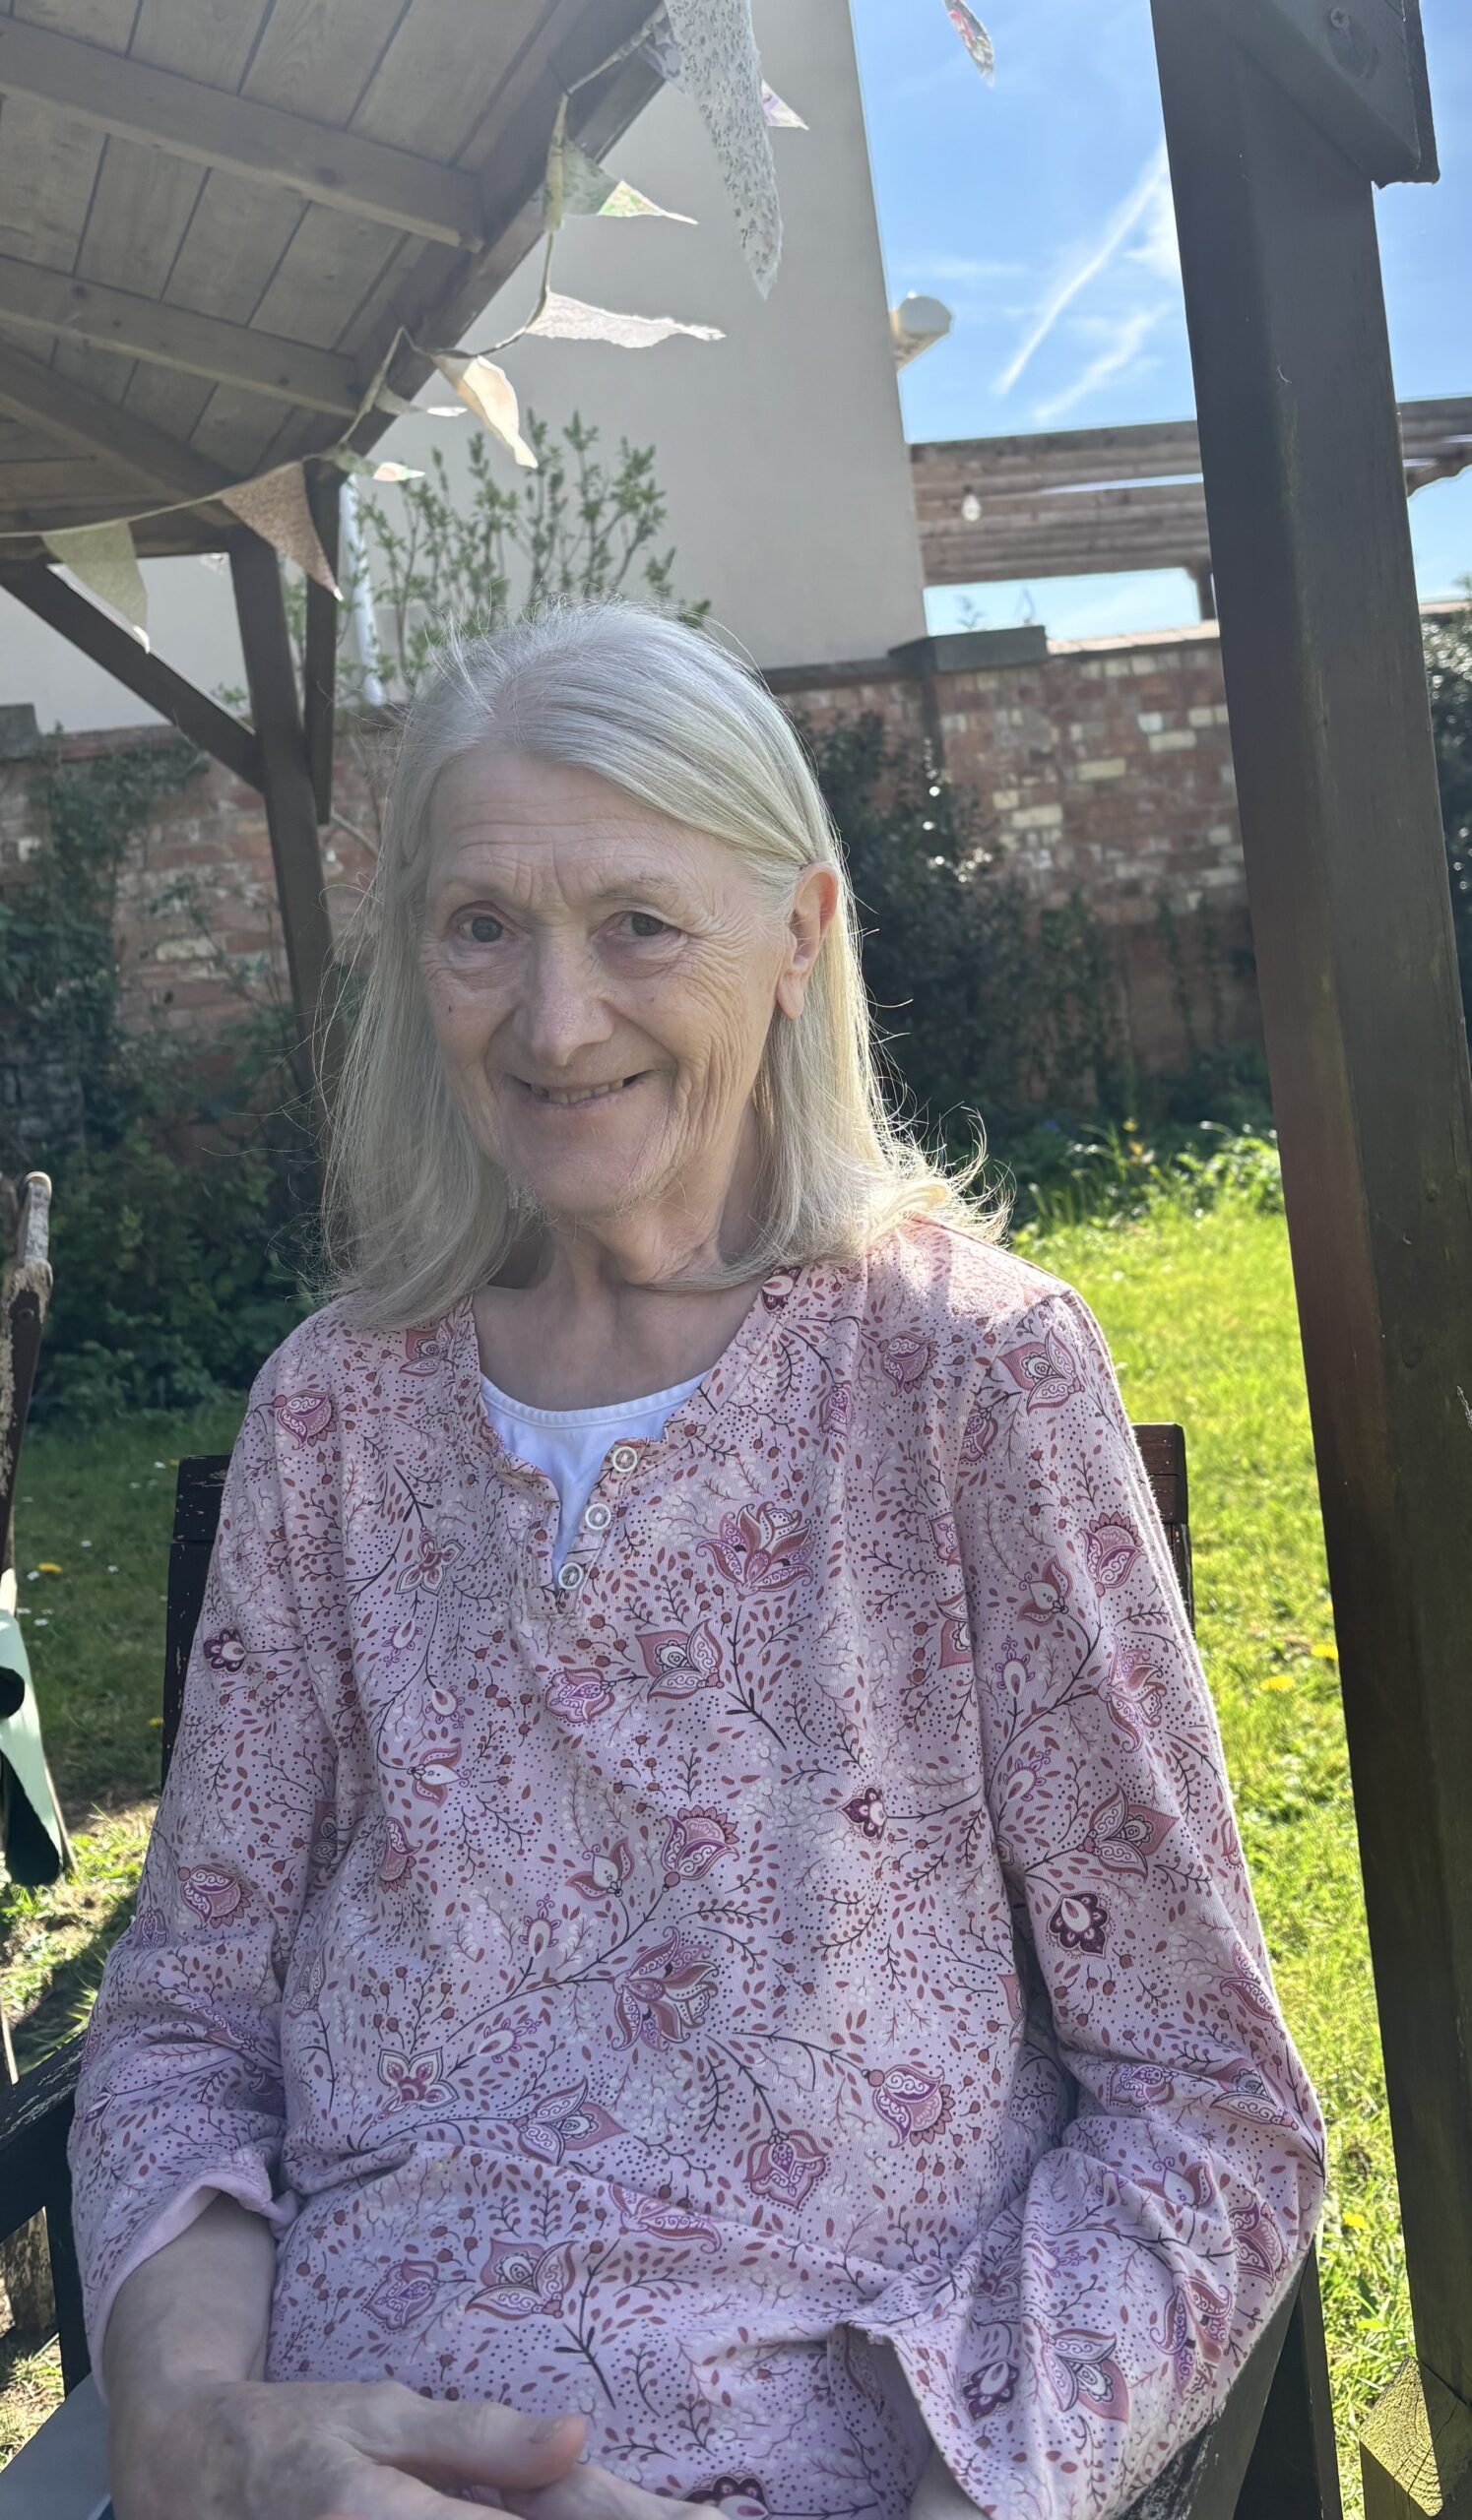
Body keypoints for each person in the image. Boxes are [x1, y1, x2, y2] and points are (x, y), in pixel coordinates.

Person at [72, 603, 1323, 2520]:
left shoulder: (962, 1377)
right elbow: (187, 2017)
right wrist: (187, 2425)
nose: (555, 1020)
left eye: (638, 922)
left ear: (799, 933)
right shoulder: (334, 1409)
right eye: (483, 925)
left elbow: (1206, 2112)